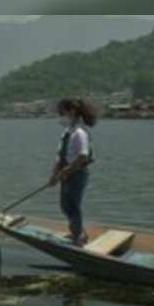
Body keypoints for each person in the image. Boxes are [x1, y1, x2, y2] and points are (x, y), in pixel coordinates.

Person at [49, 98, 97, 246]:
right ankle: (76, 232)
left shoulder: (80, 133)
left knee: (73, 205)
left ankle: (79, 236)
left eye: (62, 113)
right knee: (65, 205)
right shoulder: (67, 132)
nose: (60, 116)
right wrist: (54, 175)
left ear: (72, 112)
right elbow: (60, 155)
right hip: (66, 174)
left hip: (77, 174)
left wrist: (67, 171)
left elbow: (83, 156)